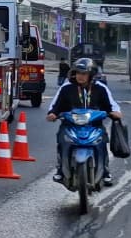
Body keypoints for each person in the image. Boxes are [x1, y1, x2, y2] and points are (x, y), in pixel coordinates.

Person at [46, 57, 122, 186]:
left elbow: (111, 106)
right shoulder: (66, 88)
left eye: (84, 73)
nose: (80, 76)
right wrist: (52, 114)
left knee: (103, 143)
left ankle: (105, 172)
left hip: (94, 126)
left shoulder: (101, 88)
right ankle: (60, 169)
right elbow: (56, 105)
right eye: (78, 73)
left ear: (91, 75)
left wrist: (115, 113)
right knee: (61, 140)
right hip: (70, 125)